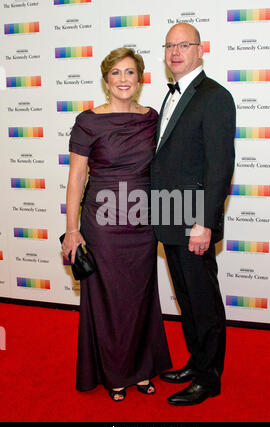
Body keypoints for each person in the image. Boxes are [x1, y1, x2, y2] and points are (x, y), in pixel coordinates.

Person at [61, 48, 171, 401]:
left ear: (140, 79)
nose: (124, 79)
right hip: (103, 225)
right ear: (105, 79)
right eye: (116, 73)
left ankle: (141, 368)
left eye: (130, 73)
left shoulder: (151, 118)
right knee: (110, 300)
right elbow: (76, 179)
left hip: (142, 224)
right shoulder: (88, 121)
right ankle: (116, 373)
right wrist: (73, 230)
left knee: (139, 299)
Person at [150, 23, 236, 406]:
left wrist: (204, 222)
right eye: (169, 46)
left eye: (183, 45)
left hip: (193, 221)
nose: (175, 52)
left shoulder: (215, 96)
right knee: (186, 298)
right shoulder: (170, 95)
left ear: (200, 50)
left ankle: (209, 378)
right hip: (169, 216)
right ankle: (195, 362)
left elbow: (219, 167)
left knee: (203, 301)